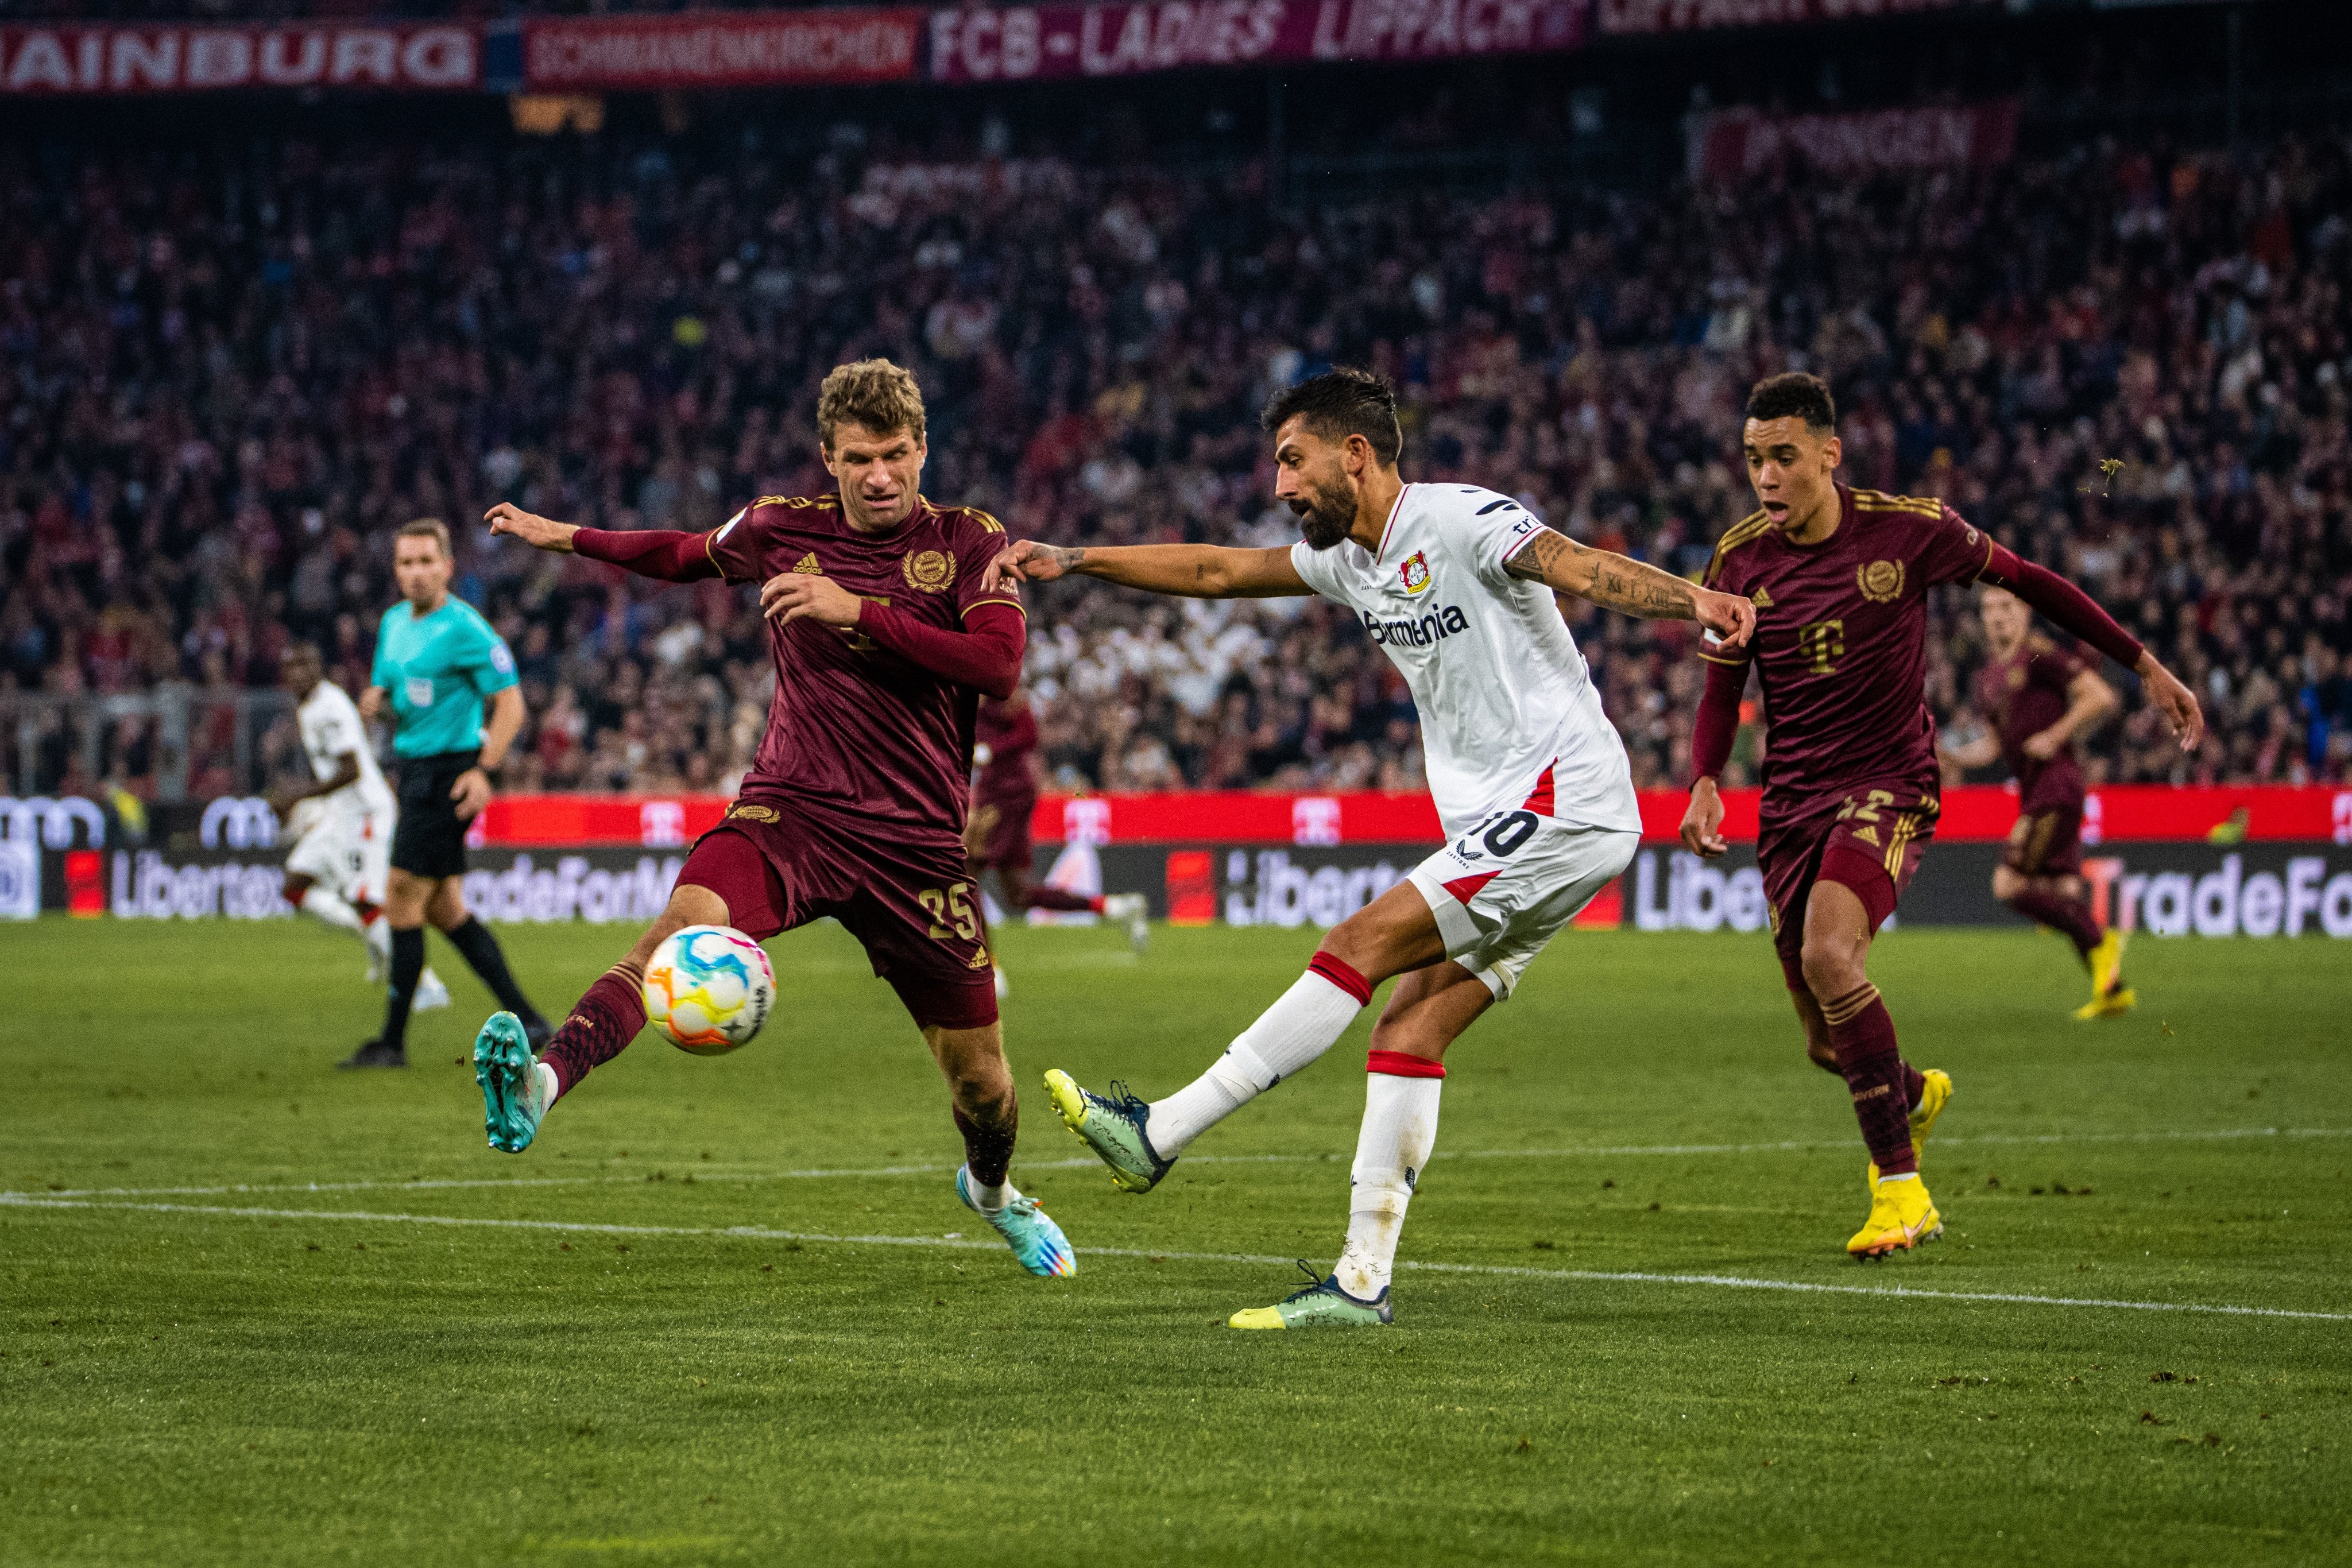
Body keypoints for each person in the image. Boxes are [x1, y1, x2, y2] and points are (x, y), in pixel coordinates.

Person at [989, 367, 1755, 1327]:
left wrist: (1694, 600)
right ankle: (1361, 1283)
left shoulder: (1462, 519)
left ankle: (1161, 1133)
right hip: (1522, 821)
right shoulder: (1351, 560)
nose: (1280, 488)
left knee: (1356, 942)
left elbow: (1572, 563)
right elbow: (1220, 572)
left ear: (1356, 454)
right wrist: (1081, 558)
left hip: (1563, 799)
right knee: (1408, 1029)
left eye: (1292, 461)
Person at [469, 359, 1073, 1279]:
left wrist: (855, 608)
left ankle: (992, 1193)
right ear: (827, 458)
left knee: (987, 1090)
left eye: (898, 454)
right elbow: (678, 553)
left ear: (924, 450)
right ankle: (539, 1086)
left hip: (917, 849)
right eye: (861, 458)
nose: (881, 475)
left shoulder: (967, 540)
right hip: (790, 812)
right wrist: (569, 538)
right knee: (672, 933)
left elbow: (996, 667)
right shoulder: (779, 528)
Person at [1678, 374, 2201, 1258]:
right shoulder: (1738, 561)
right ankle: (1912, 1092)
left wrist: (2143, 663)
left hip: (1888, 782)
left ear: (1830, 455)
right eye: (1753, 459)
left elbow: (2033, 582)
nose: (1765, 477)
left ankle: (1902, 1190)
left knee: (1829, 954)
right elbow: (1722, 688)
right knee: (1822, 1039)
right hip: (1792, 801)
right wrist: (1703, 778)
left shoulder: (1910, 529)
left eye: (1784, 457)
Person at [347, 518, 549, 1070]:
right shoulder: (392, 624)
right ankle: (529, 1018)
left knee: (401, 893)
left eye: (425, 562)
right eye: (406, 563)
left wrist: (484, 770)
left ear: (447, 566)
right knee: (444, 907)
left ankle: (391, 1042)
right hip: (413, 769)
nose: (415, 572)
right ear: (396, 569)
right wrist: (377, 703)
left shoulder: (467, 628)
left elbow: (512, 705)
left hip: (451, 772)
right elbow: (398, 695)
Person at [1940, 587, 2132, 1018]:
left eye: (2006, 607)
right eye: (1989, 609)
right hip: (2036, 789)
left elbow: (2099, 696)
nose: (1997, 617)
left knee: (2007, 885)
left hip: (2056, 786)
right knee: (2061, 889)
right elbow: (1993, 743)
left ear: (2025, 611)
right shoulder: (1988, 675)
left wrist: (2056, 735)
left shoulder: (2040, 654)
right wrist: (1955, 756)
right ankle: (2111, 989)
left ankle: (2101, 941)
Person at [272, 642, 448, 1012]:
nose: (297, 674)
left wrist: (299, 794)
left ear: (318, 668)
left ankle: (427, 984)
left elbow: (351, 771)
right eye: (291, 668)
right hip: (340, 814)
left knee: (365, 900)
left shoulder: (328, 708)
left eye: (305, 665)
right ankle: (378, 946)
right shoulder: (308, 706)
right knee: (294, 887)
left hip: (365, 813)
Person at [966, 687, 1151, 989]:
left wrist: (991, 751)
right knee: (1018, 895)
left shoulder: (1005, 695)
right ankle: (1114, 907)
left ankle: (988, 968)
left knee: (966, 873)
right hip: (992, 795)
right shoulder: (971, 699)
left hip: (1008, 795)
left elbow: (1028, 735)